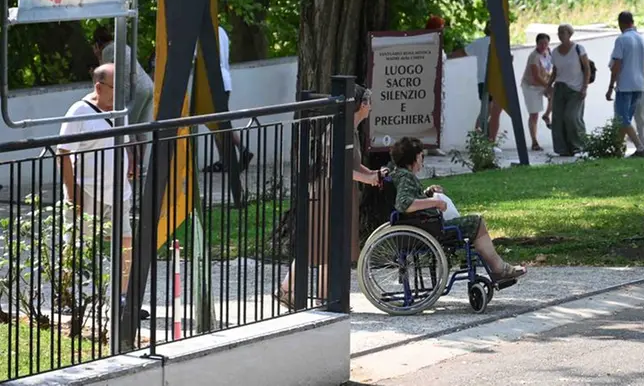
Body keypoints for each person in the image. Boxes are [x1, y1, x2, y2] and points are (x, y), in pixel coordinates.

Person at [274, 85, 387, 310]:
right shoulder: (341, 130)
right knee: (321, 244)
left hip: (338, 192)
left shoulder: (350, 129)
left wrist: (372, 174)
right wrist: (367, 179)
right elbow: (338, 168)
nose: (371, 106)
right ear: (362, 105)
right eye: (369, 102)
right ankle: (297, 292)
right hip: (327, 193)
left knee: (327, 245)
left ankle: (316, 296)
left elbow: (352, 164)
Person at [57, 63, 149, 320]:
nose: (121, 94)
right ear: (99, 86)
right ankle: (66, 295)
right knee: (76, 244)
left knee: (125, 242)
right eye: (115, 88)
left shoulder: (121, 111)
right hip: (86, 190)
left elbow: (126, 142)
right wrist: (71, 192)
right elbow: (63, 154)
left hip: (119, 192)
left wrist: (131, 162)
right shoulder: (79, 111)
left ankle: (120, 299)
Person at [390, 137, 526, 282]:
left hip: (426, 224)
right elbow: (405, 204)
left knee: (474, 223)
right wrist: (434, 202)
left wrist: (428, 193)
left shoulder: (401, 175)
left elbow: (412, 199)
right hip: (430, 228)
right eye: (422, 156)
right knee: (476, 222)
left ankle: (498, 267)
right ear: (415, 157)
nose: (423, 160)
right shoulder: (405, 177)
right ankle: (499, 268)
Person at [92, 27, 154, 173]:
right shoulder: (122, 45)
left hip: (133, 91)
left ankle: (131, 167)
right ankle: (140, 165)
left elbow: (104, 73)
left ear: (97, 44)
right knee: (141, 128)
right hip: (147, 86)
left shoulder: (107, 50)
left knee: (129, 130)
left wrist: (98, 56)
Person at [202, 26, 253, 172]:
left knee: (218, 122)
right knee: (217, 121)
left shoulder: (202, 30)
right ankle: (225, 158)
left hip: (213, 81)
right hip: (224, 79)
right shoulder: (220, 30)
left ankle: (239, 150)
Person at [449, 22, 503, 154]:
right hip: (486, 79)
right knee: (489, 111)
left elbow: (463, 52)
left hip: (497, 79)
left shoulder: (501, 42)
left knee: (493, 111)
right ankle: (480, 142)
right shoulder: (482, 42)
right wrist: (446, 57)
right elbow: (463, 52)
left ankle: (490, 142)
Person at [605, 12, 644, 158]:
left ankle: (640, 148)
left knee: (622, 119)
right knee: (625, 120)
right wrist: (641, 80)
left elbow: (616, 65)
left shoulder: (621, 40)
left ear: (620, 23)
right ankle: (618, 149)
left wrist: (611, 86)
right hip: (638, 85)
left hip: (624, 85)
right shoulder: (641, 39)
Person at [548, 24, 590, 157]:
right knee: (558, 119)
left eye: (563, 32)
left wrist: (584, 87)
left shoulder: (578, 49)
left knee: (571, 117)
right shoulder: (555, 51)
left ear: (569, 34)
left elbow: (587, 68)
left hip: (576, 88)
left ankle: (580, 145)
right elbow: (554, 71)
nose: (560, 35)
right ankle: (563, 148)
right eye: (559, 32)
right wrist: (548, 85)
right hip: (560, 87)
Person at [521, 33, 553, 151]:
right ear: (536, 44)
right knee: (534, 114)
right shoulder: (534, 56)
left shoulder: (549, 52)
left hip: (543, 83)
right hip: (531, 86)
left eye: (546, 43)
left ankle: (547, 115)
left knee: (555, 95)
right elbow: (536, 76)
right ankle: (534, 141)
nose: (543, 46)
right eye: (541, 43)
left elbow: (550, 68)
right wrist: (548, 86)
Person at [424, 15, 447, 157]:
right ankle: (424, 145)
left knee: (439, 114)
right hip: (428, 84)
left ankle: (434, 144)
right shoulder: (426, 42)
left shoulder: (438, 42)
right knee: (426, 113)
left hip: (440, 84)